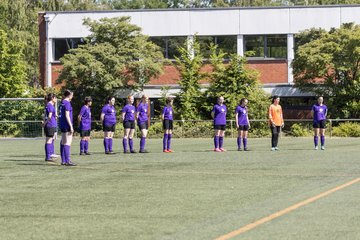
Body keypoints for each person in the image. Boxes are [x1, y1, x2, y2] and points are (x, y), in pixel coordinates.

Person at [58, 90, 76, 166]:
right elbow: (67, 115)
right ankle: (67, 160)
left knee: (63, 142)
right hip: (66, 125)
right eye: (72, 95)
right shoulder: (67, 103)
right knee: (67, 142)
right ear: (69, 95)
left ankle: (63, 160)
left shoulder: (61, 103)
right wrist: (71, 126)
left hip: (62, 124)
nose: (72, 96)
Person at [43, 93, 58, 164]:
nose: (56, 99)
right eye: (55, 98)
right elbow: (49, 116)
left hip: (51, 124)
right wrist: (45, 123)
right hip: (50, 125)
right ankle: (48, 157)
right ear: (52, 98)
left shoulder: (49, 105)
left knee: (51, 139)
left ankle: (51, 154)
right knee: (48, 140)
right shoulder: (50, 105)